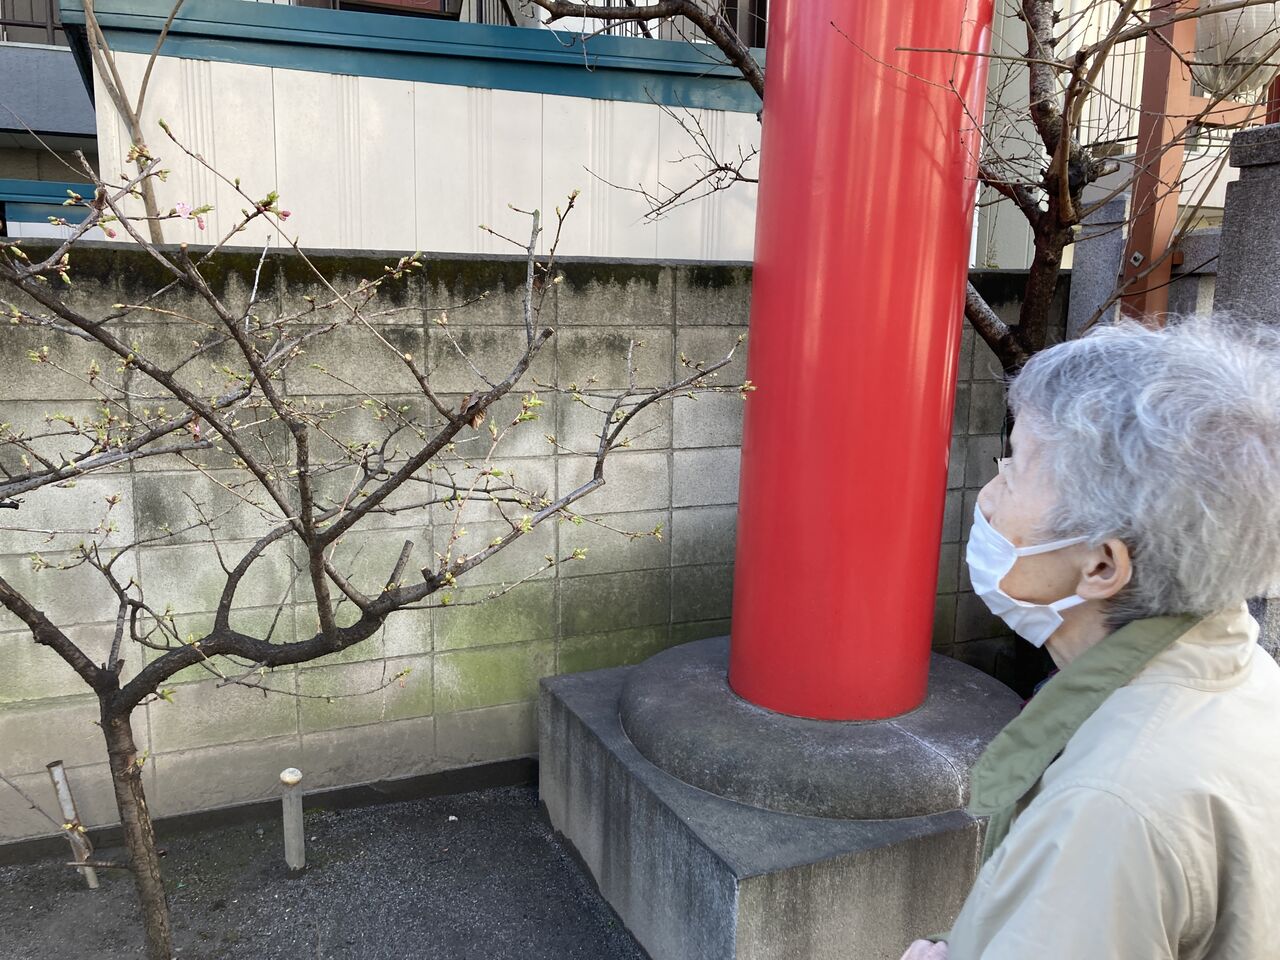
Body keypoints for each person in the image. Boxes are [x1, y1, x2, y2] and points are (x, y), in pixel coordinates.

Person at [900, 317, 1280, 960]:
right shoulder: (1244, 675)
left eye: (1016, 466)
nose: (988, 493)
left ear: (1102, 565)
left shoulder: (1108, 808)